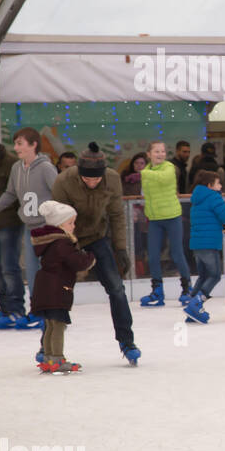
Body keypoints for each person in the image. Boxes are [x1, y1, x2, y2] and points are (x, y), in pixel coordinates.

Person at [50, 142, 140, 364]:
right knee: (57, 293)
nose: (92, 182)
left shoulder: (112, 179)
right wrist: (59, 249)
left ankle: (127, 342)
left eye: (96, 179)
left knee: (117, 288)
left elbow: (117, 215)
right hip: (68, 241)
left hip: (98, 238)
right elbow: (56, 217)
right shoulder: (64, 181)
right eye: (87, 179)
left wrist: (120, 249)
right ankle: (47, 347)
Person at [0, 127, 58, 314]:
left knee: (46, 270)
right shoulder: (17, 168)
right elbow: (10, 193)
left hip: (46, 227)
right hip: (29, 227)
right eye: (15, 143)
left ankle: (49, 310)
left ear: (33, 145)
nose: (16, 147)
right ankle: (36, 309)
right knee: (32, 272)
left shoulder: (45, 168)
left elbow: (59, 193)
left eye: (20, 143)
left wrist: (62, 221)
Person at [29, 200, 97, 373]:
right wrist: (90, 257)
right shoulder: (61, 243)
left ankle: (49, 358)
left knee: (50, 325)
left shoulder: (51, 242)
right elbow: (77, 261)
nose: (73, 226)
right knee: (58, 324)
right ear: (59, 225)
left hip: (45, 288)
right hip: (56, 289)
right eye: (70, 223)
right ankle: (57, 359)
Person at [0, 125, 29, 328]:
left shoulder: (10, 163)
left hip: (9, 222)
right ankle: (5, 308)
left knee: (9, 266)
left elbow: (16, 194)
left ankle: (16, 308)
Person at [139, 140, 193, 308]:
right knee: (153, 256)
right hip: (155, 218)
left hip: (172, 216)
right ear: (149, 154)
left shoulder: (169, 167)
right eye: (156, 151)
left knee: (177, 253)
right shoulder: (147, 171)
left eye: (162, 151)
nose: (160, 154)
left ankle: (187, 289)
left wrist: (143, 173)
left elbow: (164, 179)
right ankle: (157, 290)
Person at [185, 169, 225, 323]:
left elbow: (209, 218)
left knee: (203, 276)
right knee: (214, 275)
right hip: (209, 244)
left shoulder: (197, 199)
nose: (220, 186)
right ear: (210, 185)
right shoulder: (213, 197)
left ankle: (191, 309)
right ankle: (196, 303)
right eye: (218, 183)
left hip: (197, 245)